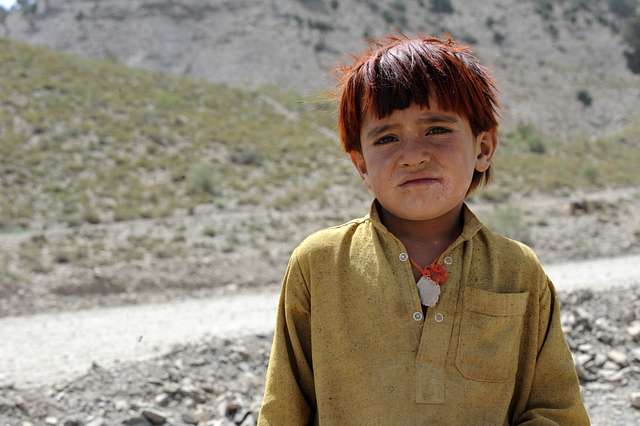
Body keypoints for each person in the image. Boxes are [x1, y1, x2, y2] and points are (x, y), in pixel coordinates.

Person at [257, 34, 590, 425]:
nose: (413, 155)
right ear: (361, 164)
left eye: (437, 130)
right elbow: (284, 411)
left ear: (483, 148)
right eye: (387, 138)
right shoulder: (320, 263)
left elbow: (555, 410)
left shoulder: (516, 270)